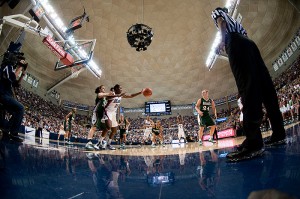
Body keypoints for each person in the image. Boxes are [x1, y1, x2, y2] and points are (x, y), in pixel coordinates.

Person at [211, 7, 286, 161]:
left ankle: (254, 143)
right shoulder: (235, 21)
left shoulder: (218, 13)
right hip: (250, 44)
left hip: (236, 42)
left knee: (248, 87)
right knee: (266, 87)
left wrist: (222, 43)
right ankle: (279, 133)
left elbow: (222, 23)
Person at [95, 84, 144, 150]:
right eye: (120, 88)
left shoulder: (121, 96)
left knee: (114, 131)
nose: (121, 89)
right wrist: (118, 95)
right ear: (116, 89)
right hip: (107, 111)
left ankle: (108, 144)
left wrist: (140, 92)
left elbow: (131, 96)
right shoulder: (112, 93)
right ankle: (98, 143)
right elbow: (107, 98)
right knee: (108, 127)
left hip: (113, 113)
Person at [0, 52, 27, 142]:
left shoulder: (10, 68)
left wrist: (22, 74)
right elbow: (12, 77)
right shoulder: (7, 66)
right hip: (3, 95)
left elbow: (16, 84)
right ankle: (13, 133)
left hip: (6, 95)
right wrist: (19, 67)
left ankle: (6, 130)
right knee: (21, 108)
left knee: (16, 113)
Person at [85, 85, 115, 150]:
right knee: (94, 127)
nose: (104, 89)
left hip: (102, 114)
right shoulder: (99, 94)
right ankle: (88, 143)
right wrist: (109, 93)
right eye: (103, 88)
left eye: (104, 88)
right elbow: (100, 95)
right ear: (100, 89)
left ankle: (100, 142)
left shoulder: (105, 97)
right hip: (97, 113)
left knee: (106, 128)